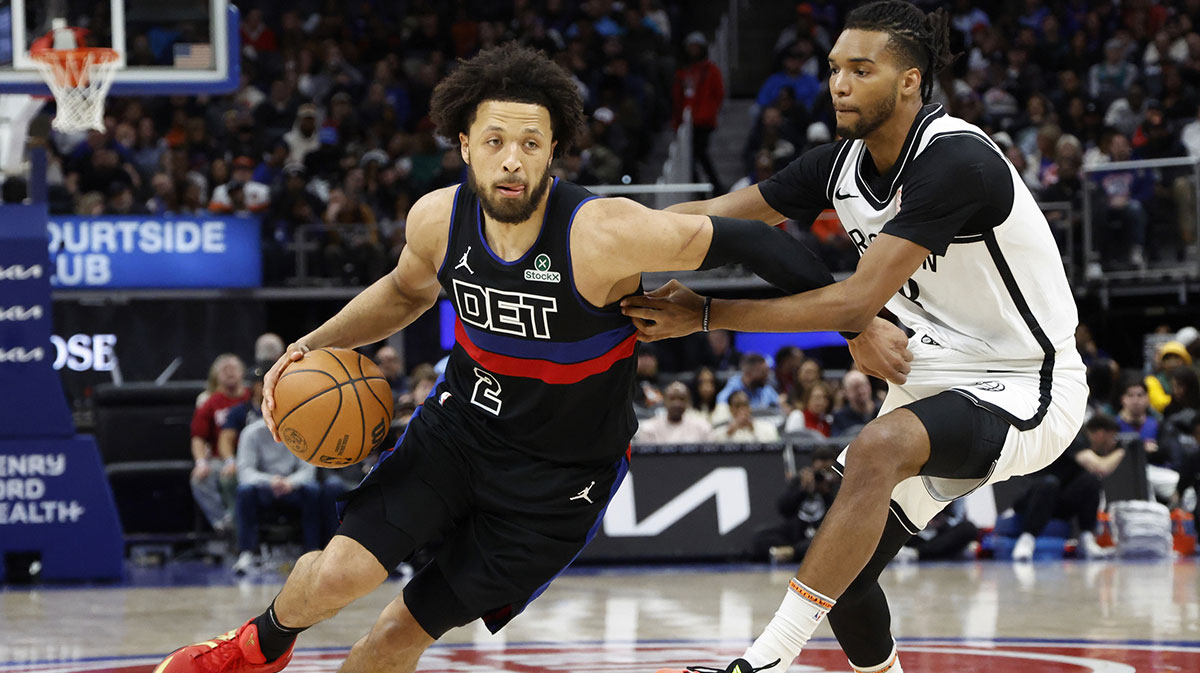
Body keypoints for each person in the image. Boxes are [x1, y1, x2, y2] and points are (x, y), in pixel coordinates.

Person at [155, 43, 908, 673]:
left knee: (397, 631)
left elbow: (757, 239)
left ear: (554, 149)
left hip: (558, 483)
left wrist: (855, 321)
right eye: (494, 142)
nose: (512, 161)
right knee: (342, 572)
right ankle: (259, 643)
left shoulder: (604, 233)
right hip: (458, 434)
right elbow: (402, 292)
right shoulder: (436, 219)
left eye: (530, 144)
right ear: (463, 145)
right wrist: (313, 343)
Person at [625, 4, 1086, 672]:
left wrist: (706, 313)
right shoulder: (838, 165)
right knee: (844, 578)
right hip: (931, 368)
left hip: (1026, 381)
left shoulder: (955, 159)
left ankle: (764, 661)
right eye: (835, 68)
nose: (838, 84)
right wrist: (601, 226)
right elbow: (717, 216)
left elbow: (855, 298)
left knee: (880, 446)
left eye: (860, 70)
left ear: (910, 82)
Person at [1011, 415, 1124, 562]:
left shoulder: (1089, 448)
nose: (1112, 444)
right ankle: (1027, 539)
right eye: (1112, 438)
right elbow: (1101, 467)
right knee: (1050, 483)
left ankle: (1086, 538)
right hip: (1032, 499)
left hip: (1057, 503)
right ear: (1101, 434)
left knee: (1090, 481)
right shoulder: (1074, 438)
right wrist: (1121, 451)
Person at [232, 418, 322, 575]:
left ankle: (312, 551)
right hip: (264, 488)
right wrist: (270, 481)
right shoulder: (251, 432)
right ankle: (246, 552)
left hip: (292, 487)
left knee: (313, 490)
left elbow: (308, 471)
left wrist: (290, 482)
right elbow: (244, 472)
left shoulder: (303, 430)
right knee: (244, 491)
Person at [190, 354, 250, 535]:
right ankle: (226, 522)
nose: (230, 372)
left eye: (233, 368)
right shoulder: (210, 402)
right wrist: (200, 462)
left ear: (242, 372)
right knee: (200, 478)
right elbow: (198, 436)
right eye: (224, 369)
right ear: (216, 375)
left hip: (255, 457)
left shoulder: (253, 397)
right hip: (222, 459)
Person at [672, 31, 726, 195]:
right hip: (687, 121)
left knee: (698, 154)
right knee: (693, 158)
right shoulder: (682, 72)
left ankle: (713, 188)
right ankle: (707, 188)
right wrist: (677, 121)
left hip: (704, 120)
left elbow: (719, 93)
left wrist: (710, 112)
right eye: (690, 47)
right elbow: (677, 97)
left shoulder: (711, 70)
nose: (693, 50)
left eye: (696, 47)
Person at [636, 382, 712, 443]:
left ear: (688, 402)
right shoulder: (648, 429)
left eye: (682, 399)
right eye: (672, 399)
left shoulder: (702, 427)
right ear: (664, 401)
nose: (677, 404)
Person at [710, 390, 781, 443]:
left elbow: (772, 451)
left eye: (745, 405)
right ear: (730, 409)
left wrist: (753, 430)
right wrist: (730, 433)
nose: (742, 409)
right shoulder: (719, 432)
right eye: (737, 406)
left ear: (750, 408)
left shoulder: (768, 428)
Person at [832, 370, 882, 437]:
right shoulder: (840, 418)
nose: (861, 391)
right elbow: (837, 443)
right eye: (855, 387)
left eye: (864, 385)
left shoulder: (883, 412)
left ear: (869, 386)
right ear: (846, 392)